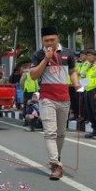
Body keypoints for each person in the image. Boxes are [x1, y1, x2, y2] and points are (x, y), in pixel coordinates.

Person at [29, 26, 79, 180]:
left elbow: (72, 71)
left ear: (58, 37)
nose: (49, 43)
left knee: (61, 133)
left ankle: (55, 159)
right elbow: (33, 75)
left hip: (64, 98)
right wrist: (46, 59)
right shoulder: (38, 54)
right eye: (46, 41)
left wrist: (76, 83)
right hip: (47, 98)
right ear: (42, 41)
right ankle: (56, 165)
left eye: (52, 40)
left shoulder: (68, 53)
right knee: (50, 132)